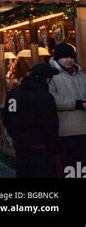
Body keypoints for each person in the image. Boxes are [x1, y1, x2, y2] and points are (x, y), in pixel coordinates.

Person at [2, 63, 60, 178]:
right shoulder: (45, 96)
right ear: (46, 79)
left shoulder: (14, 93)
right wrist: (52, 144)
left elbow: (7, 118)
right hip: (41, 146)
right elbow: (51, 123)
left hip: (20, 144)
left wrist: (15, 136)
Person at [48, 42, 86, 176]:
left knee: (82, 168)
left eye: (72, 57)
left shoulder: (82, 75)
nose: (70, 60)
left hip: (84, 130)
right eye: (65, 57)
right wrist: (76, 104)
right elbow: (50, 99)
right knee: (68, 168)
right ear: (57, 58)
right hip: (65, 131)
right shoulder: (52, 76)